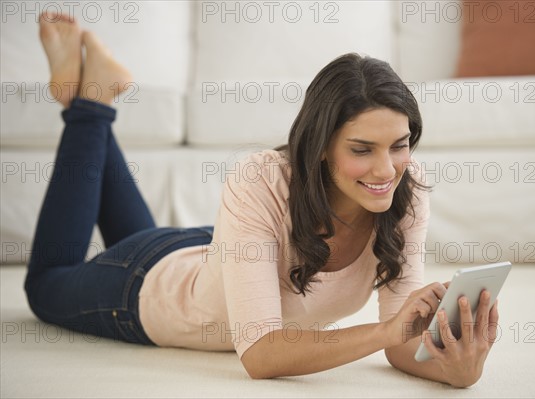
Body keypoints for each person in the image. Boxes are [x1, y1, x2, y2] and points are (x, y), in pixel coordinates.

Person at [25, 12, 500, 387]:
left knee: (136, 243)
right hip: (144, 291)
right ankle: (91, 104)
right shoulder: (261, 178)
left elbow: (401, 343)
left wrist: (457, 370)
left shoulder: (405, 188)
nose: (386, 169)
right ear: (319, 148)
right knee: (45, 286)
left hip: (209, 255)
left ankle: (94, 96)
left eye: (399, 144)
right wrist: (382, 333)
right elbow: (260, 353)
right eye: (361, 150)